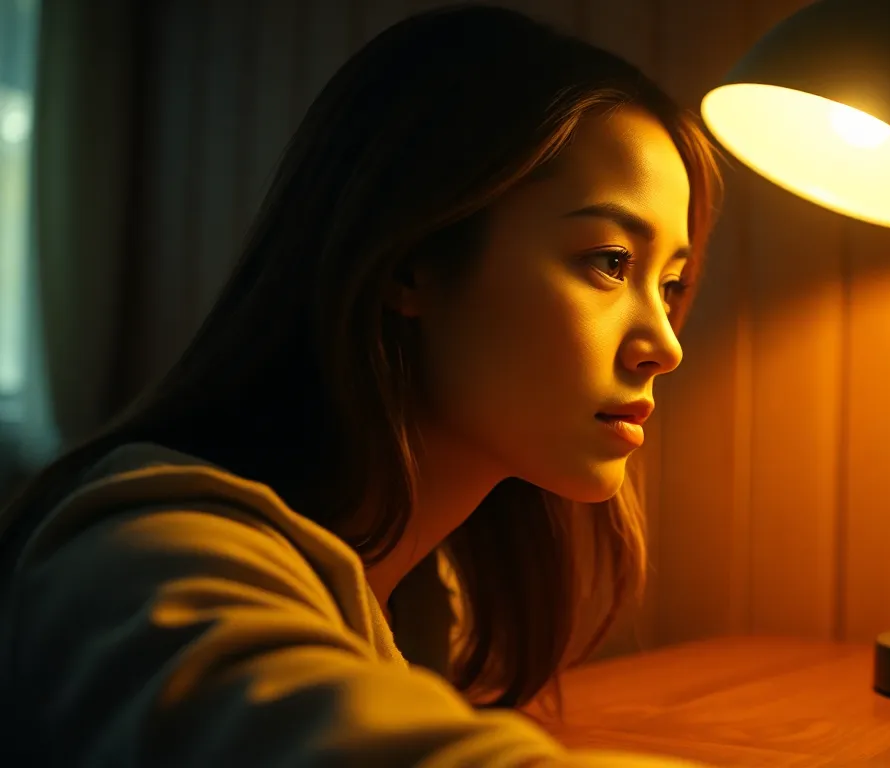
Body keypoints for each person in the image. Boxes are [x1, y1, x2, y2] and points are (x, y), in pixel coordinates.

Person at [0, 4, 723, 766]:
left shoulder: (422, 597)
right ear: (410, 261)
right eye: (610, 262)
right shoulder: (145, 562)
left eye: (671, 284)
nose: (665, 346)